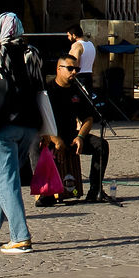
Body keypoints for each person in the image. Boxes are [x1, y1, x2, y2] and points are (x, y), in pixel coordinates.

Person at [0, 13, 59, 254]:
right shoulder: (34, 53)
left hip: (2, 125)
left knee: (5, 180)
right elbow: (41, 88)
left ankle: (20, 236)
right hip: (30, 126)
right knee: (7, 179)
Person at [43, 50, 109, 204]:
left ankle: (95, 190)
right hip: (50, 135)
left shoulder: (77, 90)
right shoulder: (48, 90)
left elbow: (88, 118)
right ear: (59, 68)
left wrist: (80, 136)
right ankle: (46, 192)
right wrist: (56, 140)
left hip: (71, 135)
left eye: (77, 69)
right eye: (70, 69)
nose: (74, 72)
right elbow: (40, 119)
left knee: (101, 145)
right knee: (38, 146)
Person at [67, 25, 96, 91]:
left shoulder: (77, 45)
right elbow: (94, 62)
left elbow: (75, 61)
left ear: (74, 35)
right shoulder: (91, 44)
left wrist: (71, 74)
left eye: (69, 35)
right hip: (89, 75)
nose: (68, 38)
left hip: (79, 77)